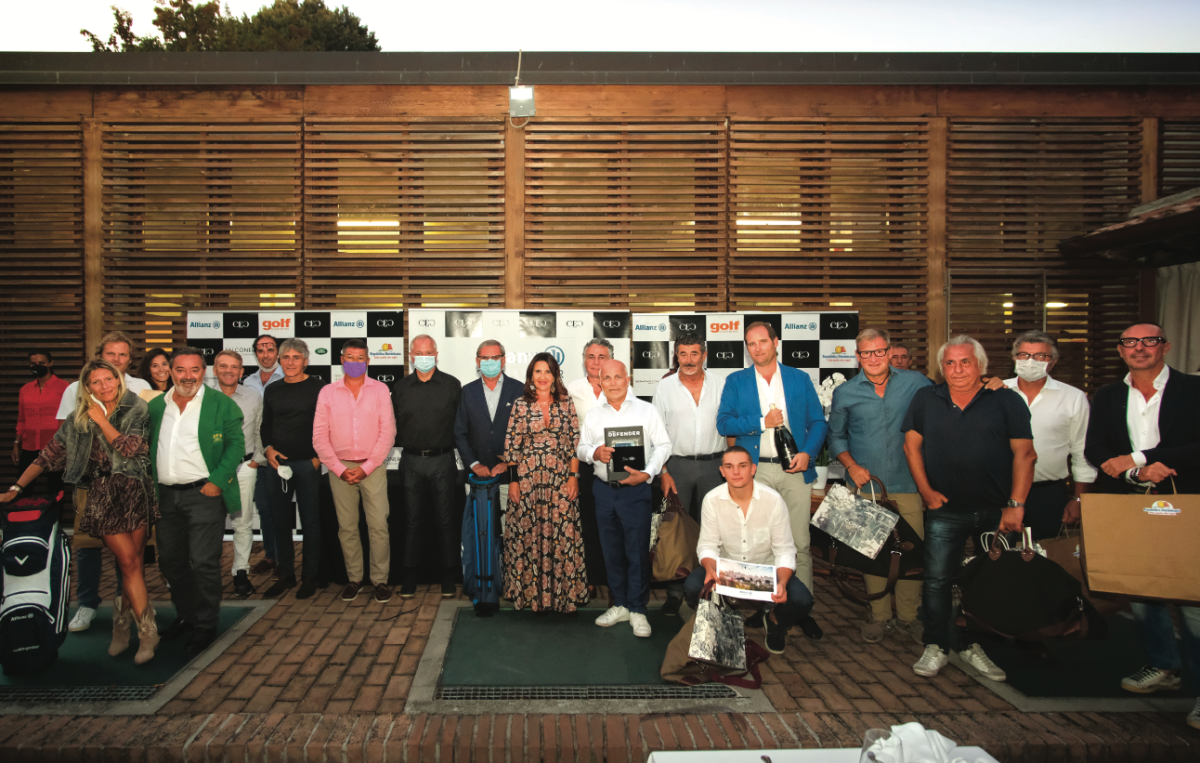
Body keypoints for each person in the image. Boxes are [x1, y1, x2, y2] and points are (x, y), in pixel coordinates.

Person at [1083, 322, 1200, 729]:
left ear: (1165, 346)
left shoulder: (1192, 389)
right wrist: (1135, 474)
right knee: (1142, 588)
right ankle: (1163, 665)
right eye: (1130, 342)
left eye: (1148, 341)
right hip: (1131, 501)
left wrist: (1142, 458)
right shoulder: (1110, 394)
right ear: (1120, 350)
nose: (1139, 348)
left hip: (1185, 502)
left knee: (1192, 598)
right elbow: (1095, 448)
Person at [4, 360, 160, 663]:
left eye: (108, 379)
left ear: (118, 379)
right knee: (127, 561)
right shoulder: (77, 419)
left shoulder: (136, 408)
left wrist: (101, 420)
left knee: (134, 565)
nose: (104, 386)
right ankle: (148, 633)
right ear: (86, 387)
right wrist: (17, 488)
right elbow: (48, 454)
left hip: (134, 492)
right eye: (96, 382)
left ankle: (122, 627)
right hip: (102, 495)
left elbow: (132, 449)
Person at [902, 335, 1035, 681]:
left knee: (988, 583)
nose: (957, 369)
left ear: (981, 366)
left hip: (996, 510)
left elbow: (1025, 454)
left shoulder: (1006, 400)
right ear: (941, 367)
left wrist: (1015, 505)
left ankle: (974, 645)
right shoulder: (926, 398)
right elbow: (911, 447)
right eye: (950, 362)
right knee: (936, 581)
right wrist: (927, 491)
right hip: (944, 510)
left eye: (965, 362)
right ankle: (936, 644)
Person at [717, 321, 828, 640]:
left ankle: (800, 608)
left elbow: (818, 422)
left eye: (763, 342)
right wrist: (761, 423)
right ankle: (766, 609)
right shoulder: (736, 381)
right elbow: (724, 424)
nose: (758, 348)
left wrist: (808, 452)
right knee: (757, 545)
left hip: (794, 471)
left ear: (775, 342)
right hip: (756, 472)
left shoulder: (798, 378)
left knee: (799, 544)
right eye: (751, 344)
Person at [828, 328, 932, 644]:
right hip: (865, 488)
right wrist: (851, 466)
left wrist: (990, 384)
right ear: (857, 356)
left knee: (911, 556)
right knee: (870, 555)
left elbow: (947, 409)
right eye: (865, 353)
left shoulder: (918, 384)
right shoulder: (845, 392)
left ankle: (909, 617)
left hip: (909, 484)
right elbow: (835, 437)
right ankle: (879, 617)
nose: (873, 358)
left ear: (889, 352)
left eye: (879, 351)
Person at [148, 347, 245, 654]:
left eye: (195, 370)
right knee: (171, 562)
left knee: (204, 562)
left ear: (205, 372)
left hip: (204, 494)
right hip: (165, 497)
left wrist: (217, 482)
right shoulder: (156, 406)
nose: (187, 377)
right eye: (180, 370)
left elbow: (235, 447)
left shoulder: (221, 405)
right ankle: (187, 616)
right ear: (170, 372)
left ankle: (204, 624)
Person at [56, 331, 151, 634]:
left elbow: (136, 445)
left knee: (130, 560)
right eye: (112, 354)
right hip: (91, 485)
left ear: (129, 359)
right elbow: (66, 438)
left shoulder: (140, 390)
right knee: (88, 547)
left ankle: (126, 616)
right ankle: (86, 603)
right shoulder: (75, 388)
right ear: (100, 355)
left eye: (123, 355)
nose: (117, 360)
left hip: (131, 488)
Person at [685, 446, 813, 654]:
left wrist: (781, 582)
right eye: (729, 466)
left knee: (802, 600)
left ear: (753, 469)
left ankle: (774, 619)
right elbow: (707, 545)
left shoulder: (773, 500)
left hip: (765, 571)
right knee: (693, 586)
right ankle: (722, 619)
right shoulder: (711, 499)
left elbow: (785, 550)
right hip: (728, 568)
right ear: (722, 471)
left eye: (742, 466)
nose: (736, 472)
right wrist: (710, 569)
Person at [577, 360, 672, 637]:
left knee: (637, 552)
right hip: (604, 492)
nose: (614, 383)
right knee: (611, 552)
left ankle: (638, 609)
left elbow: (664, 445)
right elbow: (581, 448)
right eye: (607, 378)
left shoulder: (647, 410)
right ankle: (619, 603)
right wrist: (595, 453)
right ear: (600, 381)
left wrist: (648, 473)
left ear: (627, 379)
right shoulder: (594, 415)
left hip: (636, 491)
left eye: (618, 377)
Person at [502, 352, 587, 613]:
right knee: (527, 537)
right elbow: (511, 447)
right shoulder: (520, 405)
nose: (542, 377)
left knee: (564, 535)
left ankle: (563, 596)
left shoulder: (566, 404)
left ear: (555, 375)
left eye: (547, 372)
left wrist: (574, 477)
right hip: (527, 483)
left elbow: (575, 443)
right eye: (537, 372)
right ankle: (528, 595)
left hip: (560, 481)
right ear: (530, 376)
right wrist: (514, 482)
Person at [313, 339, 397, 604]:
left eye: (360, 358)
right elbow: (319, 437)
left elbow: (388, 433)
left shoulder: (381, 390)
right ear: (342, 360)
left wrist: (367, 466)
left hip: (372, 467)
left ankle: (380, 581)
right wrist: (338, 469)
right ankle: (354, 579)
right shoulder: (327, 392)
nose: (355, 362)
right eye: (350, 357)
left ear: (368, 361)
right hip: (340, 469)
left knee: (378, 526)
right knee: (347, 528)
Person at [652, 332, 726, 617]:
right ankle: (674, 593)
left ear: (704, 355)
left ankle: (710, 590)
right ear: (676, 356)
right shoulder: (665, 387)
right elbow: (657, 433)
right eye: (683, 354)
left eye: (694, 353)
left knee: (713, 529)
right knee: (676, 531)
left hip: (714, 466)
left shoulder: (721, 384)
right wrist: (664, 471)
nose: (689, 360)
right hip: (677, 466)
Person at [1002, 331, 1096, 540]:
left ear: (1052, 362)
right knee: (999, 560)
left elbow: (1081, 452)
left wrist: (1078, 500)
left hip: (1048, 494)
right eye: (1024, 355)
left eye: (1040, 356)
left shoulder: (1073, 397)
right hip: (1000, 492)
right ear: (1015, 358)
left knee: (1046, 559)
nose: (1031, 361)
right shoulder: (998, 392)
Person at [391, 334, 462, 599]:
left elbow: (462, 426)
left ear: (436, 353)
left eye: (428, 352)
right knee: (411, 521)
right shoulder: (401, 387)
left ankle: (448, 575)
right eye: (418, 352)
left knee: (445, 521)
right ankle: (410, 575)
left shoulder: (452, 385)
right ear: (411, 356)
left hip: (443, 460)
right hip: (410, 461)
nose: (423, 357)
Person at [260, 338, 328, 599]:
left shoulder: (319, 388)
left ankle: (309, 576)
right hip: (278, 465)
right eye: (285, 357)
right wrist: (268, 449)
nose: (290, 362)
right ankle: (286, 574)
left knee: (310, 522)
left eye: (296, 357)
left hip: (308, 464)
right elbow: (266, 425)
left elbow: (327, 425)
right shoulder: (273, 389)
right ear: (280, 360)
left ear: (305, 360)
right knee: (280, 522)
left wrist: (318, 458)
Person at [212, 350, 264, 598]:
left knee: (242, 523)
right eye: (223, 366)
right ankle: (208, 574)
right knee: (208, 523)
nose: (229, 371)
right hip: (211, 471)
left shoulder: (254, 397)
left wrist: (256, 461)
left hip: (245, 467)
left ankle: (240, 572)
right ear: (215, 370)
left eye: (234, 367)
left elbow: (261, 430)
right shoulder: (204, 400)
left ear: (242, 372)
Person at [567, 338, 615, 598]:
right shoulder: (571, 389)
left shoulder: (621, 387)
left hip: (615, 466)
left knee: (612, 524)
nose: (596, 362)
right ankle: (591, 577)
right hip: (584, 466)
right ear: (584, 360)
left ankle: (613, 580)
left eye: (602, 356)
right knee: (586, 524)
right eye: (591, 357)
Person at [455, 339, 524, 513]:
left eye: (495, 357)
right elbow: (460, 432)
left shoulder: (519, 390)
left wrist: (510, 463)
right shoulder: (467, 391)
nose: (490, 361)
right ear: (478, 361)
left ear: (503, 360)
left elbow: (527, 434)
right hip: (477, 477)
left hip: (511, 476)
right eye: (485, 358)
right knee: (480, 531)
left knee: (510, 531)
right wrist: (474, 464)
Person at [244, 334, 284, 578]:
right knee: (265, 509)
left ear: (277, 352)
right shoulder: (247, 382)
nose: (266, 354)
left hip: (283, 454)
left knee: (284, 510)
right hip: (257, 458)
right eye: (260, 349)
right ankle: (271, 555)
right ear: (256, 353)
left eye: (270, 349)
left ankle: (286, 558)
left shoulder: (287, 378)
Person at [13, 349, 69, 499]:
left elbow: (69, 418)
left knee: (55, 488)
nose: (37, 366)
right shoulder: (25, 389)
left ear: (50, 363)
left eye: (41, 363)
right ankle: (21, 521)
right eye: (33, 363)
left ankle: (56, 522)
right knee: (23, 487)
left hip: (54, 446)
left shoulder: (64, 387)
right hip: (29, 445)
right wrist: (16, 443)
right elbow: (22, 419)